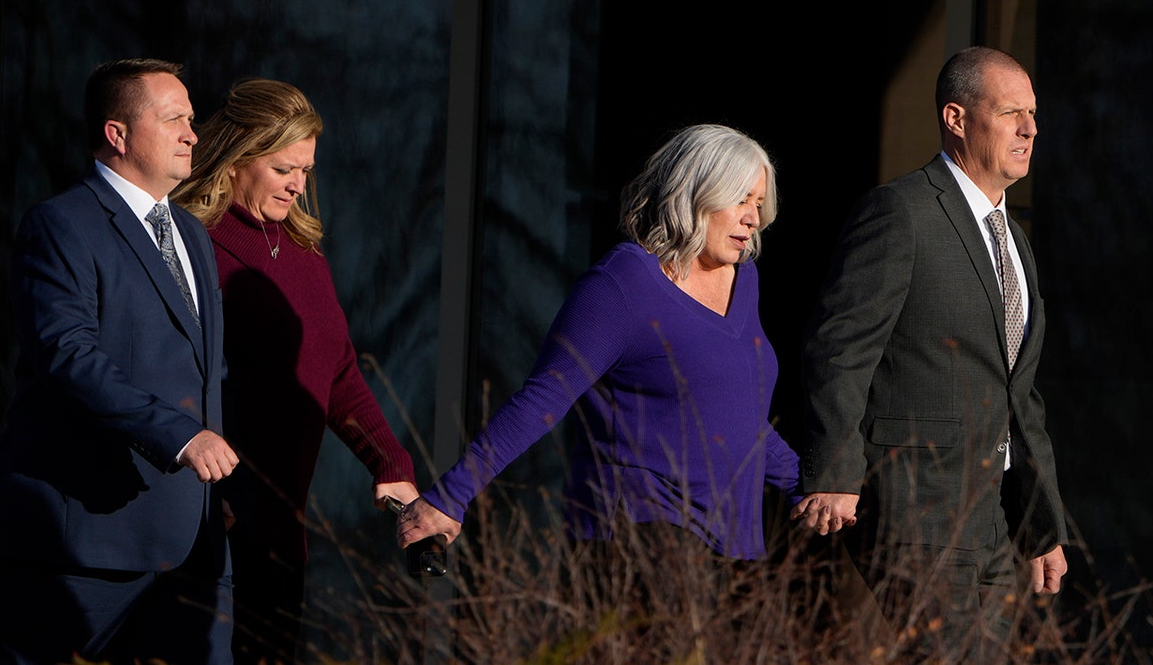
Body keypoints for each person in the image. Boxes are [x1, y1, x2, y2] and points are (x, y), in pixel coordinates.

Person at [397, 124, 800, 631]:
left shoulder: (745, 282)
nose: (752, 218)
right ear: (697, 192)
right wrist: (452, 495)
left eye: (759, 202)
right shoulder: (625, 282)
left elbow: (737, 418)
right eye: (740, 199)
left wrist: (809, 484)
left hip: (734, 543)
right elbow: (544, 397)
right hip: (642, 536)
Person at [0, 58, 238, 664]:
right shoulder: (61, 225)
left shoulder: (191, 235)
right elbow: (67, 354)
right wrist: (180, 436)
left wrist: (216, 493)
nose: (193, 133)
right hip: (81, 539)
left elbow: (204, 372)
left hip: (191, 543)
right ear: (118, 134)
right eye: (174, 120)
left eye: (192, 119)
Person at [790, 46, 1069, 660]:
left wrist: (1041, 523)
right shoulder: (901, 212)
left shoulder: (1014, 239)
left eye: (1033, 113)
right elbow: (840, 349)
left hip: (994, 516)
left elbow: (1018, 390)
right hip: (915, 507)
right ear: (956, 118)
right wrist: (836, 470)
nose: (1031, 129)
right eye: (1011, 113)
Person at [171, 78, 419, 665]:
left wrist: (388, 461)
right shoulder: (188, 242)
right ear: (236, 160)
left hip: (284, 533)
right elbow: (167, 379)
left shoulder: (302, 251)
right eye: (285, 168)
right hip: (211, 526)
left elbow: (336, 372)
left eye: (306, 170)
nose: (298, 185)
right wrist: (207, 490)